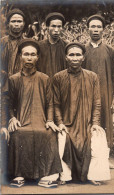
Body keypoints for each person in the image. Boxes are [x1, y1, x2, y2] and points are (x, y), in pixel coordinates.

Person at [8, 38, 62, 188]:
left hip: (40, 120)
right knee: (18, 133)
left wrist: (50, 120)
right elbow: (9, 103)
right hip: (22, 120)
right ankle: (19, 175)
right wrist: (12, 118)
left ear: (37, 57)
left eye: (33, 54)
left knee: (48, 133)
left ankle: (46, 175)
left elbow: (50, 102)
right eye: (26, 54)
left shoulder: (45, 78)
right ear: (20, 56)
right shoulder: (13, 79)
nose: (29, 58)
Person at [52, 42, 102, 184]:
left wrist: (95, 123)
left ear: (83, 58)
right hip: (67, 122)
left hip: (86, 122)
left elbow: (97, 102)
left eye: (78, 54)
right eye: (71, 55)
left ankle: (92, 175)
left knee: (97, 137)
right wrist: (60, 123)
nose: (75, 58)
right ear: (66, 57)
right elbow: (56, 104)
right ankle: (65, 176)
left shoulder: (92, 77)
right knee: (63, 138)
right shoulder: (58, 77)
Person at [83, 15, 114, 168]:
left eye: (99, 27)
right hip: (87, 92)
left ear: (103, 30)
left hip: (105, 91)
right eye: (93, 26)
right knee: (87, 121)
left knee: (105, 122)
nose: (96, 30)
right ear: (88, 29)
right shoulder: (82, 50)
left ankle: (106, 157)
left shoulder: (110, 51)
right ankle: (89, 156)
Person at [1, 8, 25, 184]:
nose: (16, 24)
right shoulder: (2, 42)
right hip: (5, 86)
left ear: (24, 24)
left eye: (19, 21)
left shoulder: (28, 42)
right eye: (13, 21)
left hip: (23, 87)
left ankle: (20, 168)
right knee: (5, 121)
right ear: (8, 23)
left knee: (19, 125)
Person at [38, 12, 68, 78]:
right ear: (47, 27)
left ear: (62, 28)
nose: (56, 30)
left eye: (59, 26)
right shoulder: (39, 46)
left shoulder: (66, 46)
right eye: (53, 26)